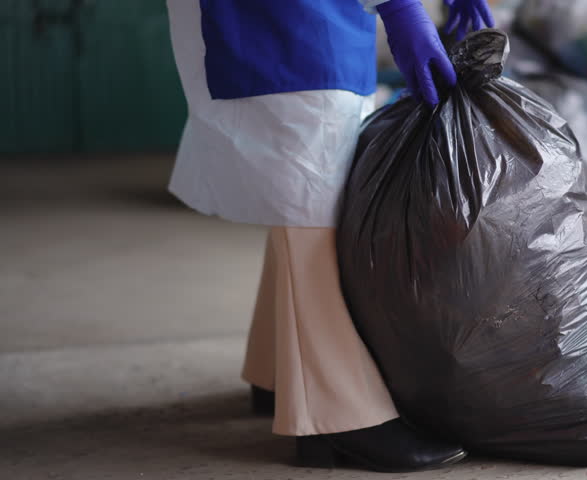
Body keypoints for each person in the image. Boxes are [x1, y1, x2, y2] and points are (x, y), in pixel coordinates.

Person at [165, 0, 494, 473]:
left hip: (321, 15)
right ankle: (339, 415)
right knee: (312, 194)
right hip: (280, 19)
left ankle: (278, 370)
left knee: (316, 183)